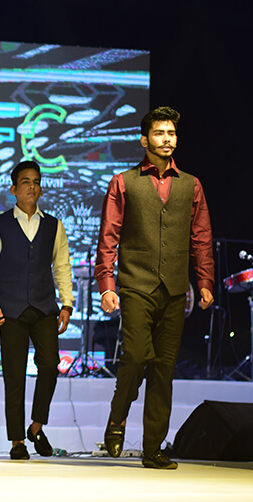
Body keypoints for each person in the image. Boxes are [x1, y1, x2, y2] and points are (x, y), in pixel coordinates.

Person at [96, 106, 214, 470]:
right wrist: (106, 284)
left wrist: (205, 280)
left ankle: (153, 448)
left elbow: (201, 237)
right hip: (136, 283)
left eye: (171, 133)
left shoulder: (191, 184)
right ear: (144, 140)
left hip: (174, 287)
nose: (167, 139)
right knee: (135, 356)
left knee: (163, 369)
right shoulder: (123, 182)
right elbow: (108, 236)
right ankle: (117, 418)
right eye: (160, 133)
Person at [0, 160, 74, 460]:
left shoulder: (53, 225)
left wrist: (67, 303)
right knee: (14, 376)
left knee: (50, 365)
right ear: (13, 189)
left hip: (44, 307)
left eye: (36, 182)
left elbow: (62, 266)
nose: (32, 187)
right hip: (10, 309)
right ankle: (17, 441)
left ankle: (36, 427)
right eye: (25, 182)